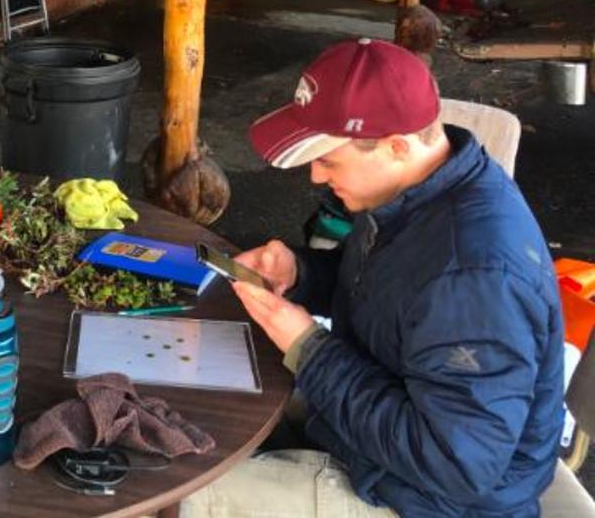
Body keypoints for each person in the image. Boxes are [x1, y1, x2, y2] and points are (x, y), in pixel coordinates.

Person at [183, 39, 565, 517]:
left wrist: (309, 349)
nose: (316, 178)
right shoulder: (414, 192)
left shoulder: (474, 275)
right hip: (369, 442)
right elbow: (388, 292)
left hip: (426, 501)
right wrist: (301, 272)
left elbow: (460, 465)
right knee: (199, 403)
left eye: (328, 160)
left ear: (397, 146)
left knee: (179, 493)